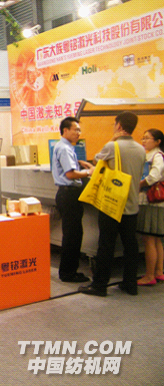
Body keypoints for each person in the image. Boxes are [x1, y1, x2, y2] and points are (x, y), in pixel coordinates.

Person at [78, 111, 145, 297]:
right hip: (132, 205)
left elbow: (96, 160)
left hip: (112, 205)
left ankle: (100, 285)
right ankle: (130, 284)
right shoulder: (141, 149)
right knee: (130, 246)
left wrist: (112, 139)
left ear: (119, 126)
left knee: (106, 245)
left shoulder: (112, 146)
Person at [51, 117, 91, 283]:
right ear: (65, 130)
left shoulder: (63, 146)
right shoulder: (65, 148)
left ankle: (69, 271)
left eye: (79, 130)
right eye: (76, 130)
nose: (78, 133)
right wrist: (89, 172)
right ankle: (68, 273)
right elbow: (70, 174)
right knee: (72, 235)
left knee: (72, 234)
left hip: (66, 194)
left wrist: (80, 164)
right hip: (69, 195)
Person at [136, 128, 164, 286]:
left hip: (151, 201)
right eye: (143, 138)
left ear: (158, 141)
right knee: (156, 239)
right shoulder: (152, 155)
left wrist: (138, 185)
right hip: (156, 203)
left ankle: (149, 276)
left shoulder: (157, 156)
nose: (144, 141)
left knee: (149, 239)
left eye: (147, 138)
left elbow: (153, 176)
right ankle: (158, 272)